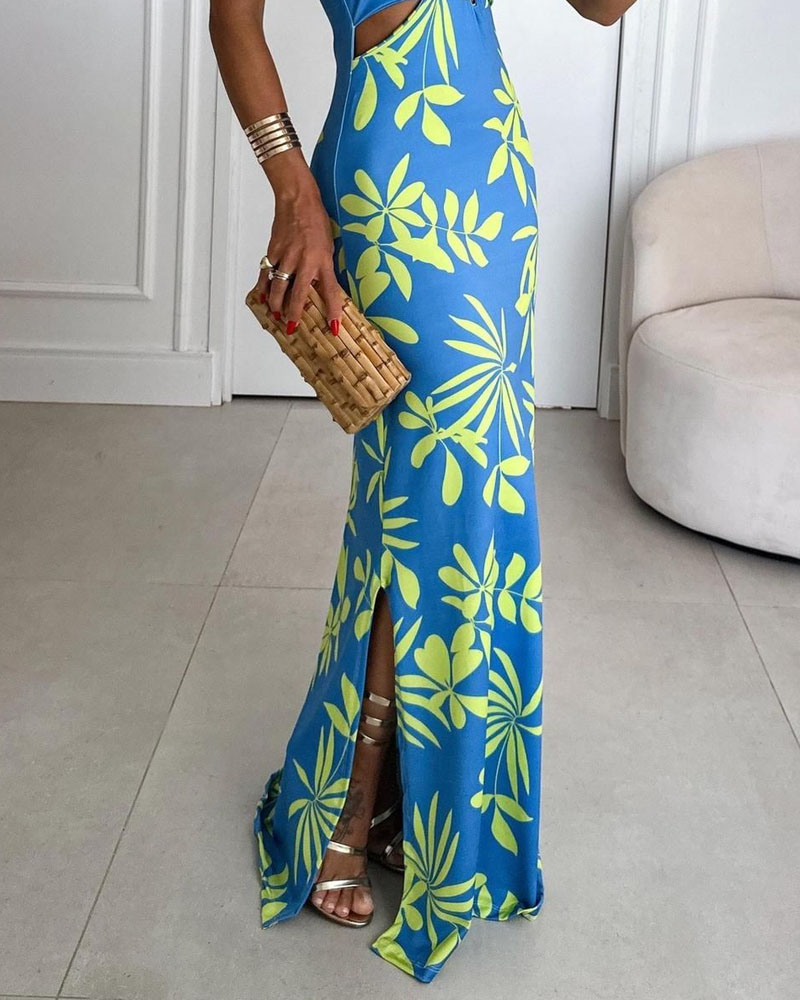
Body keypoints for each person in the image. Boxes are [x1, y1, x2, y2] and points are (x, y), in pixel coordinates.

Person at [209, 0, 635, 982]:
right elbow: (233, 19)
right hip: (389, 179)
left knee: (468, 505)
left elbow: (600, 8)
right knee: (421, 503)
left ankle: (398, 796)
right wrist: (291, 188)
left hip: (490, 177)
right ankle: (353, 796)